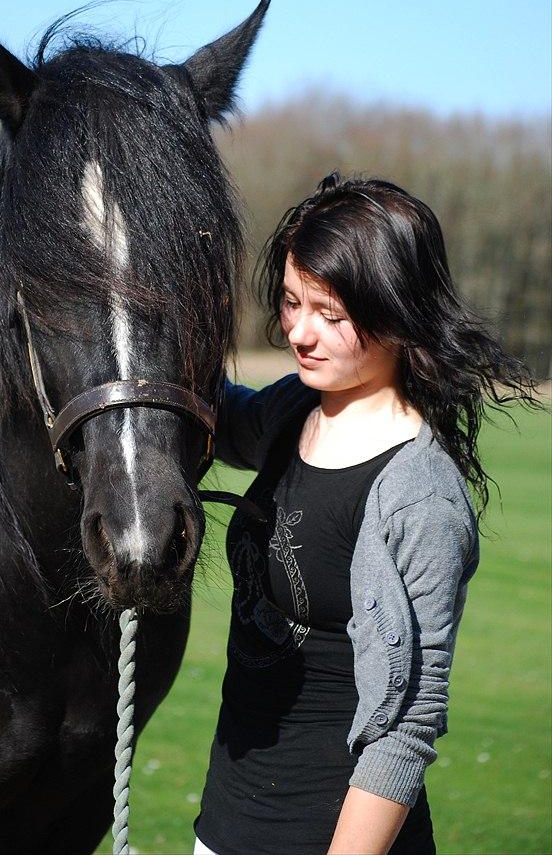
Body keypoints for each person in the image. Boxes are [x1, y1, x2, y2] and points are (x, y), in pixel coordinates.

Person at [193, 172, 538, 855]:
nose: (299, 330)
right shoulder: (293, 408)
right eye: (292, 302)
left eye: (330, 311)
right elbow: (216, 419)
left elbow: (406, 723)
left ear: (394, 311)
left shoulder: (420, 495)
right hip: (224, 825)